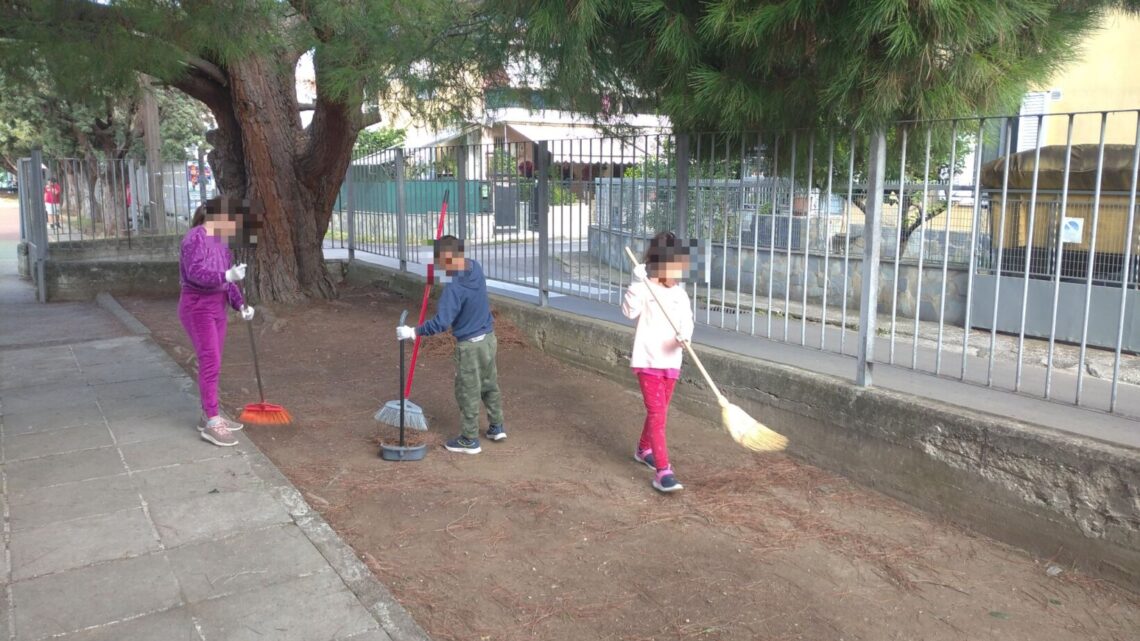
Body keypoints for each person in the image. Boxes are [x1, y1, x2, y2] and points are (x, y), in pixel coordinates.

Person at [396, 235, 505, 454]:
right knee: (489, 383)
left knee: (467, 391)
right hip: (488, 339)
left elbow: (441, 322)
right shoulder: (475, 268)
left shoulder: (454, 288)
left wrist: (413, 332)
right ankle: (496, 426)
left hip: (470, 347)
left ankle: (469, 439)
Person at [621, 231, 695, 493]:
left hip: (671, 362)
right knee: (657, 414)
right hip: (648, 360)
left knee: (659, 411)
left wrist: (684, 336)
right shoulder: (644, 287)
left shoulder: (680, 295)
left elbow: (687, 321)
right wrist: (636, 285)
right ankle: (664, 470)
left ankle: (643, 449)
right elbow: (629, 312)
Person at [179, 197, 255, 447]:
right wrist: (225, 275)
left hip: (217, 306)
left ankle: (208, 414)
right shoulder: (195, 237)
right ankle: (212, 420)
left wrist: (241, 304)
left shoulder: (222, 243)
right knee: (210, 361)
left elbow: (228, 282)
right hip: (197, 306)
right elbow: (195, 273)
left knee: (215, 361)